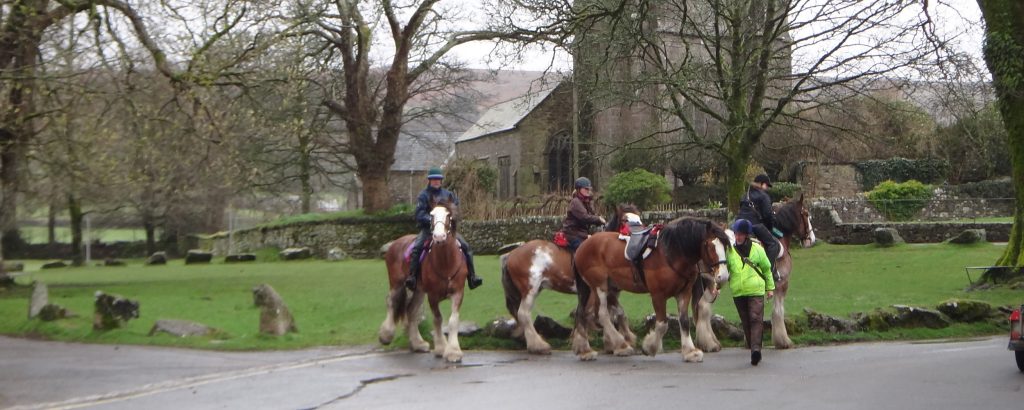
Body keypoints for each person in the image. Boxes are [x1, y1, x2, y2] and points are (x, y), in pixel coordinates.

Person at [404, 167, 483, 291]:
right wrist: (433, 220)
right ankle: (412, 277)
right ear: (429, 181)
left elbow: (455, 211)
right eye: (433, 179)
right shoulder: (423, 195)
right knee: (417, 247)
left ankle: (472, 277)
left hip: (447, 231)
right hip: (428, 230)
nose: (436, 181)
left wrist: (448, 220)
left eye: (438, 179)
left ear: (441, 181)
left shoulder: (448, 195)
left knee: (466, 247)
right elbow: (419, 214)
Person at [725, 218, 775, 366]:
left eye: (740, 234)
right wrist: (716, 287)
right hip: (738, 292)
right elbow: (725, 272)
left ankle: (756, 350)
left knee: (755, 318)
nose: (738, 236)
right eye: (736, 233)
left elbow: (766, 268)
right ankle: (753, 346)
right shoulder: (730, 252)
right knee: (746, 322)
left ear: (746, 235)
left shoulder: (758, 249)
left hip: (755, 289)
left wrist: (770, 288)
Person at [737, 173, 783, 280]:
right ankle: (768, 273)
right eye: (766, 185)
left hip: (738, 224)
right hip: (753, 225)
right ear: (761, 184)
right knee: (774, 244)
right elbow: (767, 215)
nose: (767, 188)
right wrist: (771, 227)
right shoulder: (763, 196)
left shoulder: (745, 195)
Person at [560, 177, 606, 252]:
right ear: (578, 189)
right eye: (585, 189)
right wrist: (598, 219)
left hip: (581, 233)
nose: (588, 191)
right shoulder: (575, 202)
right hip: (572, 234)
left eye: (589, 189)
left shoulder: (586, 202)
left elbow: (592, 215)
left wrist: (599, 221)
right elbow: (584, 217)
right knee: (586, 252)